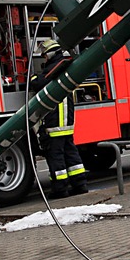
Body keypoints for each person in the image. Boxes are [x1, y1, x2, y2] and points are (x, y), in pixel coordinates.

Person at [31, 39, 88, 198]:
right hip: (66, 123)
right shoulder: (63, 65)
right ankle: (80, 184)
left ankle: (60, 189)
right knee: (71, 153)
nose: (44, 59)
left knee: (56, 156)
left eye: (44, 55)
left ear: (49, 53)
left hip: (56, 124)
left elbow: (40, 83)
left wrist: (33, 79)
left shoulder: (55, 67)